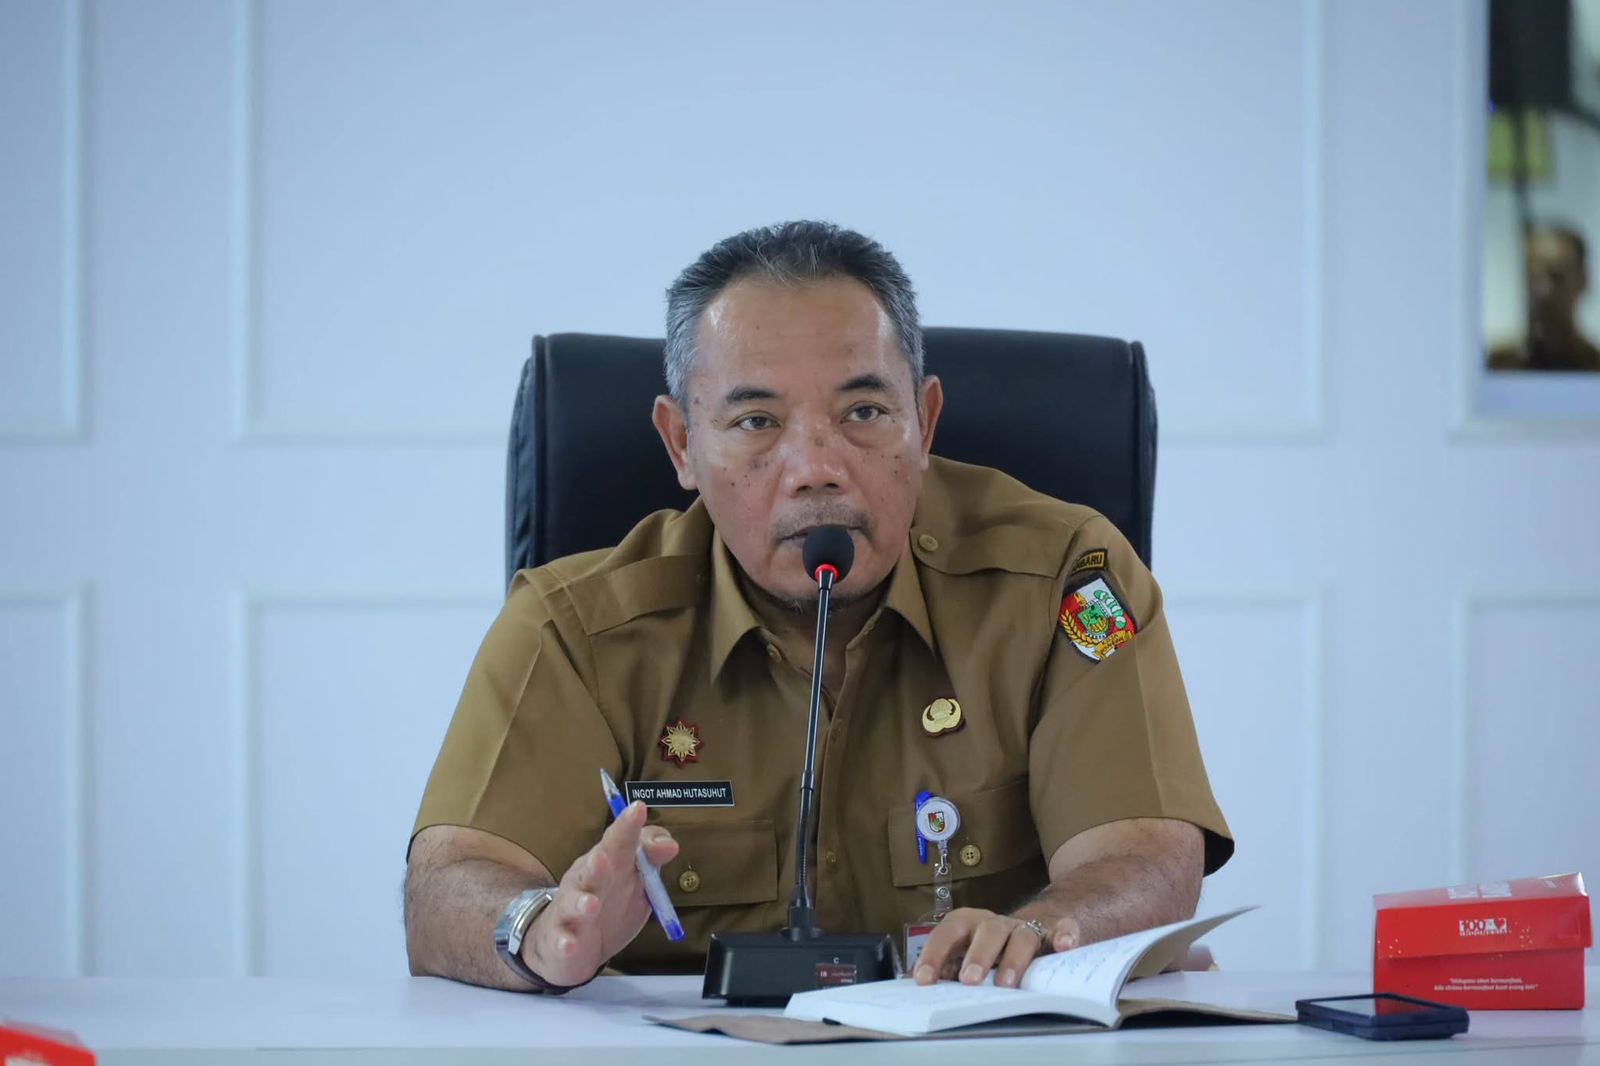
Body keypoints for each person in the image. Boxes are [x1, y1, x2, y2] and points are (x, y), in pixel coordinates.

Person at [403, 221, 1232, 995]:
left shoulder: (1063, 581)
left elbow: (1144, 858)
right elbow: (449, 881)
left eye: (863, 413)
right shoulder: (574, 627)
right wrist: (536, 930)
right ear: (682, 443)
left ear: (924, 421)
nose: (814, 468)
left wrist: (1053, 931)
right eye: (756, 421)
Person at [1488, 225, 1600, 372]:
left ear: (1582, 280)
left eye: (1556, 277)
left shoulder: (1595, 368)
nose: (1542, 289)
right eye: (1533, 276)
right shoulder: (1498, 366)